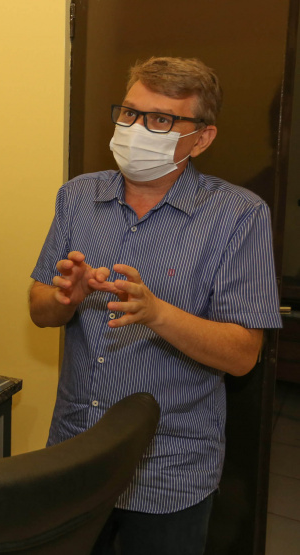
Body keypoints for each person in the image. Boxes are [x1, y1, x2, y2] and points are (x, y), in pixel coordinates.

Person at [28, 57, 282, 554]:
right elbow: (39, 310)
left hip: (169, 468)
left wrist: (157, 313)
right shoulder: (78, 197)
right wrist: (65, 298)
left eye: (161, 119)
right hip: (75, 453)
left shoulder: (239, 215)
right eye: (129, 113)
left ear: (201, 138)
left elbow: (242, 354)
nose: (137, 129)